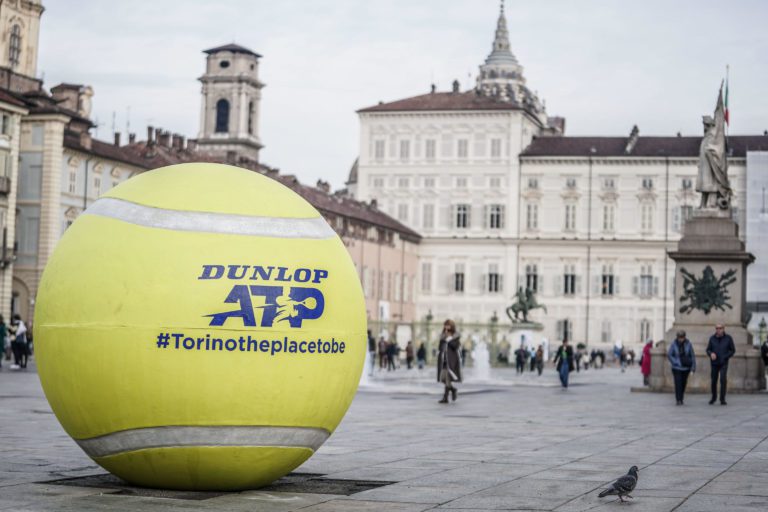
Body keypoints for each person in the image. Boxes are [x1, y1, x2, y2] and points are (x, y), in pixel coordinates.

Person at [706, 323, 735, 405]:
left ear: (723, 329)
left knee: (723, 380)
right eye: (716, 328)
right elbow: (708, 349)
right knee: (714, 381)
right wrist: (711, 353)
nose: (718, 330)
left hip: (723, 363)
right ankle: (713, 397)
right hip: (714, 363)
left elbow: (732, 350)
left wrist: (725, 357)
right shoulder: (712, 338)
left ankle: (722, 398)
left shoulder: (728, 338)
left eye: (720, 328)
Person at [668, 330, 696, 405]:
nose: (681, 339)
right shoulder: (674, 344)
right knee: (678, 384)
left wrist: (693, 368)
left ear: (684, 337)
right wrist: (676, 362)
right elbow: (670, 355)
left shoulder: (688, 344)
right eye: (679, 337)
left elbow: (692, 356)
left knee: (683, 383)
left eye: (682, 337)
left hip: (686, 368)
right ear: (677, 337)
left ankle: (681, 397)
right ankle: (678, 399)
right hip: (676, 368)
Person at [437, 319, 461, 403]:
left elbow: (456, 346)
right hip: (443, 358)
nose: (446, 327)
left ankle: (445, 397)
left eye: (448, 325)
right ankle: (453, 389)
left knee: (447, 377)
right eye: (445, 325)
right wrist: (443, 339)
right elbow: (440, 347)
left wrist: (449, 339)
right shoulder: (443, 335)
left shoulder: (455, 336)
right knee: (442, 378)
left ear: (451, 326)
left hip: (451, 359)